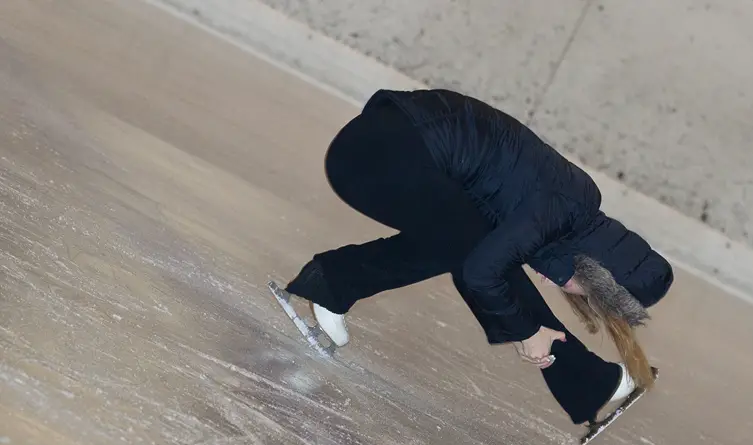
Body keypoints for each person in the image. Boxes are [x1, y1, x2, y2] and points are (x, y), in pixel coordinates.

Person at [283, 88, 674, 426]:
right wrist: (526, 331)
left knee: (466, 242)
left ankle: (331, 282)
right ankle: (590, 380)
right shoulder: (564, 208)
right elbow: (480, 273)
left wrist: (525, 325)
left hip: (383, 145)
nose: (577, 296)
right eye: (589, 296)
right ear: (599, 274)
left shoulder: (573, 209)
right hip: (378, 155)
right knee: (474, 253)